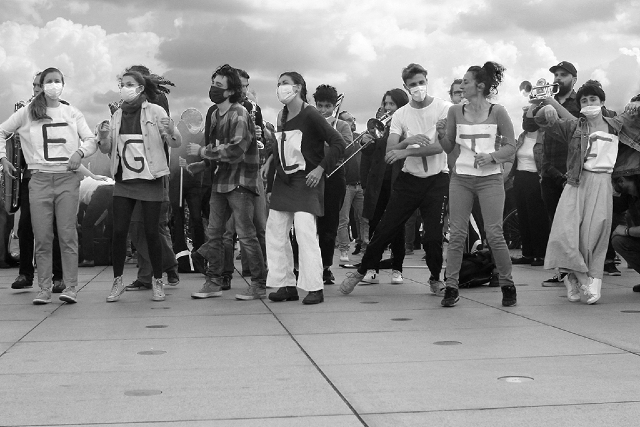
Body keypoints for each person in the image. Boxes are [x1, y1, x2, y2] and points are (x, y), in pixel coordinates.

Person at [340, 63, 450, 296]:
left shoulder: (444, 108)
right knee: (385, 228)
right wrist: (407, 142)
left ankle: (435, 278)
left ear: (427, 81)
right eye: (413, 84)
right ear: (406, 87)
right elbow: (391, 149)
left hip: (437, 179)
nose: (418, 88)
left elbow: (441, 146)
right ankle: (361, 271)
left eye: (421, 82)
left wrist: (405, 151)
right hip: (409, 179)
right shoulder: (401, 114)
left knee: (432, 236)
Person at [534, 82, 640, 304]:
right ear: (580, 105)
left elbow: (636, 119)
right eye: (584, 100)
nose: (589, 103)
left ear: (602, 102)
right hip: (577, 182)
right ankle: (581, 278)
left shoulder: (617, 124)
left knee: (594, 237)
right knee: (565, 234)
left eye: (593, 99)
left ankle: (587, 279)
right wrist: (546, 108)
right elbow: (542, 121)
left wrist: (636, 105)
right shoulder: (574, 127)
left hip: (603, 183)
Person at [0, 67, 98, 305]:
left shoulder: (72, 112)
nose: (54, 85)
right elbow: (2, 131)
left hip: (66, 179)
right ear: (42, 85)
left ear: (63, 84)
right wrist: (3, 158)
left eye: (58, 81)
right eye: (49, 81)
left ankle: (70, 287)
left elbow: (90, 140)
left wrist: (79, 153)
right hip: (39, 179)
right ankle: (43, 289)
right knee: (42, 237)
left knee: (67, 235)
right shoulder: (27, 112)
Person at [89, 70, 182, 303]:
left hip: (150, 180)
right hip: (124, 180)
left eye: (129, 84)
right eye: (122, 84)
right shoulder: (117, 115)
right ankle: (117, 281)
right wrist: (103, 137)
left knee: (152, 232)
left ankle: (157, 280)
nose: (125, 88)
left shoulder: (155, 111)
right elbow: (107, 149)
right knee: (120, 232)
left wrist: (171, 129)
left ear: (140, 88)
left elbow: (175, 142)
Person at [439, 61, 517, 308]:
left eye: (466, 81)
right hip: (461, 177)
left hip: (490, 178)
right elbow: (448, 146)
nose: (462, 85)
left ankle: (507, 284)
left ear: (480, 86)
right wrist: (441, 134)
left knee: (494, 233)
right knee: (457, 234)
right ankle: (451, 286)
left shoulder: (498, 111)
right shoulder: (455, 111)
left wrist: (492, 157)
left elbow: (511, 146)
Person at [187, 64, 266, 301]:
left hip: (240, 182)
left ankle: (258, 284)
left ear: (231, 91)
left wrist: (203, 152)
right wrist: (203, 164)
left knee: (246, 234)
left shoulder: (239, 113)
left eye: (219, 85)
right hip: (221, 181)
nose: (214, 88)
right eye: (213, 83)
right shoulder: (215, 115)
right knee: (215, 234)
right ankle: (214, 281)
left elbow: (236, 149)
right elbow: (219, 148)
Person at [265, 71, 345, 305]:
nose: (280, 87)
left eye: (285, 83)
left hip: (307, 180)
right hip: (284, 181)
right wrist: (270, 176)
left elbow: (338, 143)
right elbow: (280, 149)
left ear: (298, 87)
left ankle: (314, 287)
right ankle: (285, 284)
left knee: (305, 233)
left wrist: (320, 169)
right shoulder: (281, 115)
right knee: (276, 233)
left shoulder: (310, 114)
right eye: (279, 83)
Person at [523, 61, 581, 286]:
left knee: (573, 224)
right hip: (549, 171)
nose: (557, 78)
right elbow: (529, 126)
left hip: (572, 170)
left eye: (563, 75)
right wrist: (535, 103)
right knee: (555, 224)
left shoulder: (579, 101)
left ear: (574, 79)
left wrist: (552, 104)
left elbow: (577, 125)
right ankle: (563, 271)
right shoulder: (546, 100)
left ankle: (579, 269)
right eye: (556, 74)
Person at [10, 72, 66, 292]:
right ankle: (25, 273)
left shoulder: (63, 109)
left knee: (54, 228)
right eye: (33, 85)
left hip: (55, 175)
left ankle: (58, 277)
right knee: (25, 226)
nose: (35, 89)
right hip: (30, 176)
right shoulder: (24, 111)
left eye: (39, 85)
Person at [358, 89, 409, 285]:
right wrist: (365, 142)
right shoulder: (378, 126)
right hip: (377, 182)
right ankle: (372, 268)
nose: (388, 107)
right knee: (374, 224)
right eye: (385, 103)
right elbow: (369, 154)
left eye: (392, 104)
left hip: (398, 181)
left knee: (397, 226)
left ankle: (397, 269)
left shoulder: (406, 125)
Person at [312, 84, 350, 284]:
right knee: (309, 224)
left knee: (330, 224)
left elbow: (346, 149)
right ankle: (307, 265)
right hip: (312, 175)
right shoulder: (310, 123)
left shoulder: (342, 125)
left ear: (334, 107)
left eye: (327, 106)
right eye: (319, 105)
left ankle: (326, 266)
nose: (323, 110)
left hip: (334, 176)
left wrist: (329, 137)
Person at [508, 108, 549, 266]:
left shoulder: (544, 137)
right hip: (520, 178)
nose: (526, 122)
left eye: (530, 119)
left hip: (535, 178)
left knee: (537, 218)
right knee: (523, 217)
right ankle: (527, 253)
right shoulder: (522, 137)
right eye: (525, 118)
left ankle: (540, 254)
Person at [336, 110, 364, 264]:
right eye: (348, 120)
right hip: (346, 184)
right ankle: (344, 250)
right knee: (344, 219)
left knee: (364, 217)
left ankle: (365, 246)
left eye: (352, 119)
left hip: (360, 184)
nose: (352, 122)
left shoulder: (359, 137)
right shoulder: (339, 140)